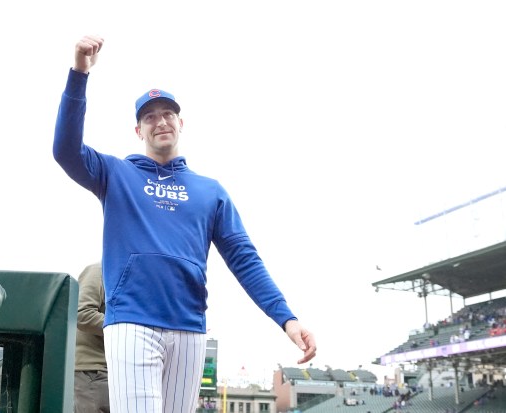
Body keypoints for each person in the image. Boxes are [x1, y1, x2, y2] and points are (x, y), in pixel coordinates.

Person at [53, 34, 317, 413]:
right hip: (132, 322)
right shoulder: (116, 173)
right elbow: (65, 149)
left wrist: (287, 319)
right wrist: (80, 72)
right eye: (149, 117)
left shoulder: (210, 192)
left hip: (189, 326)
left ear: (180, 122)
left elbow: (245, 259)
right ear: (138, 130)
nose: (160, 121)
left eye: (167, 114)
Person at [74, 263, 110, 413]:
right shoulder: (100, 271)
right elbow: (82, 314)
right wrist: (122, 327)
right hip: (91, 372)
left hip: (117, 373)